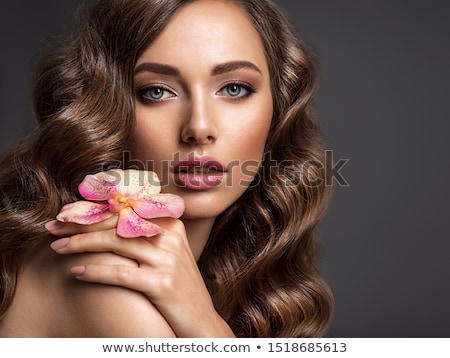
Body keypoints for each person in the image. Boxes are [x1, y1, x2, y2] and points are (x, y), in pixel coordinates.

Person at [0, 0, 333, 337]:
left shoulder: (211, 272)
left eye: (234, 88)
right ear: (106, 108)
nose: (199, 127)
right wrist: (204, 324)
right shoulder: (110, 279)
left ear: (278, 109)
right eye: (157, 91)